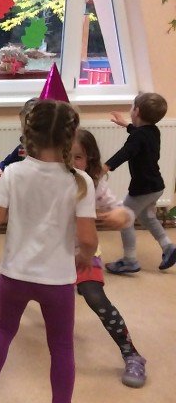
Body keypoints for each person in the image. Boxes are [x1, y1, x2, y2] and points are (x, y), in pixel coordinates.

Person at [0, 99, 98, 403]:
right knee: (62, 347)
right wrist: (84, 259)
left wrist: (7, 192)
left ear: (29, 133)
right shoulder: (80, 180)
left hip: (14, 274)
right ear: (71, 137)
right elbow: (88, 239)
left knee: (2, 330)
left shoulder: (14, 172)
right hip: (57, 281)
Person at [71, 128, 146, 387]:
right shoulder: (48, 179)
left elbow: (122, 212)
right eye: (65, 156)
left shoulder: (94, 184)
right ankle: (2, 286)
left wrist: (121, 216)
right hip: (50, 255)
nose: (71, 164)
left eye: (77, 157)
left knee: (94, 296)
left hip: (84, 252)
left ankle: (131, 354)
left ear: (89, 159)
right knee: (23, 288)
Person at [102, 93, 176, 273]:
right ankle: (168, 247)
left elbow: (126, 151)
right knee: (147, 217)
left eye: (132, 106)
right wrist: (126, 124)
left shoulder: (138, 136)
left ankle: (130, 260)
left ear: (137, 111)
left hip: (143, 189)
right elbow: (139, 135)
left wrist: (106, 166)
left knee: (125, 218)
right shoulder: (153, 131)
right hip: (156, 186)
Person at [0, 97, 39, 306]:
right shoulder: (22, 148)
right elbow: (6, 162)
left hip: (40, 211)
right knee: (16, 247)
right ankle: (7, 288)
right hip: (21, 210)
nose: (26, 136)